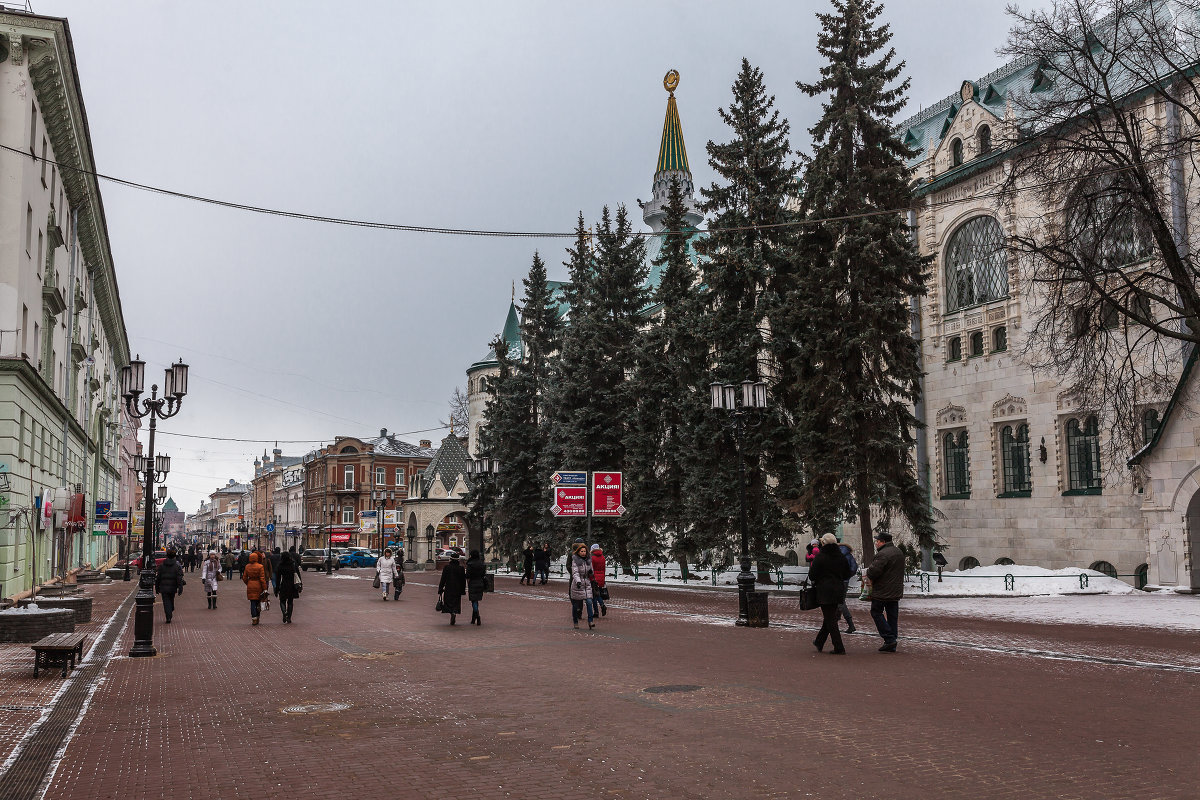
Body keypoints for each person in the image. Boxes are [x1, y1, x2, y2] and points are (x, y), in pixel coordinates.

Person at [809, 533, 853, 654]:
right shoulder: (841, 556)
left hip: (824, 591)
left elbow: (812, 575)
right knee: (830, 617)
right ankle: (819, 641)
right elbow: (847, 573)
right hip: (838, 589)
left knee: (830, 619)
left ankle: (839, 647)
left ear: (823, 543)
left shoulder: (820, 557)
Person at [866, 532, 905, 652]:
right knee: (892, 616)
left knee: (876, 612)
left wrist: (868, 571)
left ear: (883, 542)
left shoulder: (882, 554)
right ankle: (891, 640)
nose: (876, 543)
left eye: (877, 541)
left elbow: (873, 572)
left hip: (882, 590)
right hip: (895, 590)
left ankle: (889, 639)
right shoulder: (898, 552)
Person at [568, 542, 596, 629]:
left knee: (589, 602)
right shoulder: (575, 560)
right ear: (578, 552)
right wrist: (578, 581)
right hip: (578, 585)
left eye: (584, 551)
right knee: (576, 604)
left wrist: (591, 573)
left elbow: (591, 570)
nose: (583, 553)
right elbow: (575, 573)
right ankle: (575, 621)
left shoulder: (588, 560)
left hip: (587, 583)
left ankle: (590, 621)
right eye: (582, 551)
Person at [154, 548, 185, 624]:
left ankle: (168, 614)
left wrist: (157, 587)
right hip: (173, 587)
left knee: (166, 602)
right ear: (174, 556)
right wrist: (180, 587)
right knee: (170, 600)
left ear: (167, 556)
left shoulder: (162, 566)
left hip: (163, 587)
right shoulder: (177, 566)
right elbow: (179, 578)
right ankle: (169, 613)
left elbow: (158, 577)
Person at [437, 551, 466, 625]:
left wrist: (440, 589)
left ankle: (451, 612)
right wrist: (463, 590)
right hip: (458, 588)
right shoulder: (461, 568)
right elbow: (463, 580)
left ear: (451, 559)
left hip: (449, 588)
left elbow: (443, 579)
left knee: (449, 602)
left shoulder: (447, 567)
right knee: (456, 602)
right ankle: (454, 612)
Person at [837, 540, 859, 634]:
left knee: (840, 602)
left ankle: (850, 624)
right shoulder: (848, 555)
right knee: (840, 601)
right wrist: (847, 576)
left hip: (836, 581)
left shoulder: (836, 554)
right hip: (845, 581)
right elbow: (854, 568)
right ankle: (835, 621)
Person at [242, 552, 268, 625]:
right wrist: (265, 588)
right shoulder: (260, 566)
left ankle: (254, 618)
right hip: (258, 586)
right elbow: (262, 578)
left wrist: (248, 583)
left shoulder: (247, 566)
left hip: (250, 585)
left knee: (252, 602)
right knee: (258, 602)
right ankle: (258, 616)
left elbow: (244, 577)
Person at [275, 550, 301, 623]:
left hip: (284, 585)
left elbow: (278, 578)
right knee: (290, 601)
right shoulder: (293, 564)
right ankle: (289, 617)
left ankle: (284, 613)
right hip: (292, 585)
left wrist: (277, 589)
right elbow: (298, 575)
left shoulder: (280, 565)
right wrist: (300, 585)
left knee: (282, 600)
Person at [466, 549, 486, 625]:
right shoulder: (482, 563)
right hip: (480, 583)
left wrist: (468, 582)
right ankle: (473, 618)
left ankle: (477, 616)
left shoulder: (470, 564)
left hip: (472, 583)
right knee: (476, 600)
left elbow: (467, 575)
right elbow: (483, 574)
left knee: (474, 601)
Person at [590, 544, 607, 618]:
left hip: (594, 578)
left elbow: (591, 569)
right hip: (601, 577)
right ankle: (602, 605)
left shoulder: (592, 558)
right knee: (598, 593)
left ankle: (596, 612)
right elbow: (604, 568)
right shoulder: (603, 557)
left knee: (594, 595)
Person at [258, 548, 274, 613]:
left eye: (263, 554)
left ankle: (265, 599)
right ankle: (262, 600)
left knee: (266, 589)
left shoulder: (267, 560)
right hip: (260, 577)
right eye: (261, 554)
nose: (262, 555)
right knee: (261, 589)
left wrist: (270, 576)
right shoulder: (258, 561)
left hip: (266, 577)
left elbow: (270, 569)